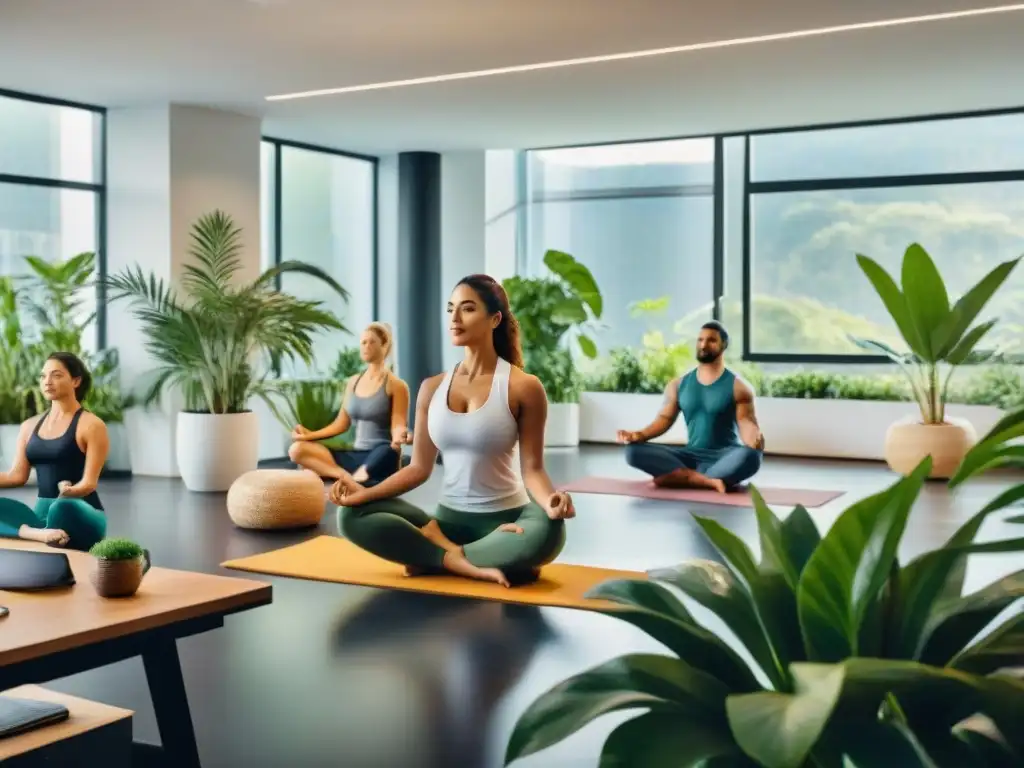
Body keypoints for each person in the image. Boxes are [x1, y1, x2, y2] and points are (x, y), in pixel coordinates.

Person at [329, 274, 574, 588]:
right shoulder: (431, 388)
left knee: (549, 532)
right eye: (450, 309)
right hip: (445, 522)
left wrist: (552, 500)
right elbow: (418, 468)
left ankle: (435, 555)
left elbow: (534, 470)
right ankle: (466, 558)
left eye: (467, 309)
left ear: (495, 319)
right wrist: (364, 493)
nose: (455, 318)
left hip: (509, 519)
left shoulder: (524, 387)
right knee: (350, 515)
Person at [617, 320, 764, 492]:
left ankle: (679, 477)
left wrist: (753, 438)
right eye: (700, 340)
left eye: (711, 340)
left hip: (725, 457)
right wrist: (639, 435)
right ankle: (707, 480)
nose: (704, 344)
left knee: (751, 456)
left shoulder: (739, 387)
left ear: (724, 345)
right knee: (632, 452)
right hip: (689, 456)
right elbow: (664, 419)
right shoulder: (678, 385)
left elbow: (746, 421)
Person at [0, 352, 108, 550]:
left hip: (79, 511)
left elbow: (89, 483)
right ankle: (35, 533)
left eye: (56, 375)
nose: (47, 382)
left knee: (61, 507)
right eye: (43, 376)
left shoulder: (91, 425)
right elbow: (16, 476)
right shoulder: (29, 426)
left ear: (76, 381)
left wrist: (69, 492)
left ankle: (30, 532)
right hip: (41, 517)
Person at [289, 322, 412, 486]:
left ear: (385, 346)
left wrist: (400, 436)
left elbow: (398, 424)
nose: (366, 346)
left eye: (372, 342)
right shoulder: (353, 382)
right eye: (363, 342)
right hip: (354, 455)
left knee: (389, 449)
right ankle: (346, 477)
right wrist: (308, 435)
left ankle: (360, 474)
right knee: (297, 450)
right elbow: (340, 424)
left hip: (379, 456)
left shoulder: (397, 385)